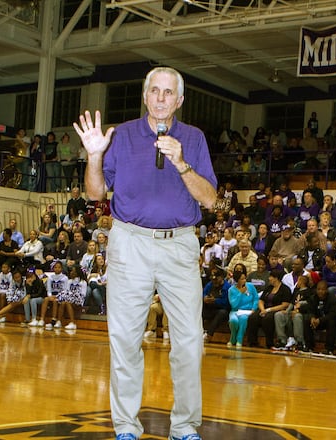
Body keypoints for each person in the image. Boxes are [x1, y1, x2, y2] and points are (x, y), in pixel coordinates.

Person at [74, 66, 217, 440]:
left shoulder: (194, 138)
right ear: (145, 95)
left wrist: (181, 163)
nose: (160, 99)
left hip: (180, 244)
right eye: (154, 91)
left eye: (168, 93)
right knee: (124, 340)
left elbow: (210, 198)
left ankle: (184, 428)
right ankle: (125, 427)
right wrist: (93, 156)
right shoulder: (119, 136)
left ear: (180, 100)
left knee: (188, 343)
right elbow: (95, 194)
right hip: (129, 242)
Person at [303, 280, 336, 354]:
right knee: (307, 320)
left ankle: (329, 348)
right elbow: (310, 310)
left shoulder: (332, 299)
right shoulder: (313, 298)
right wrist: (312, 318)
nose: (320, 291)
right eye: (318, 289)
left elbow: (333, 314)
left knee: (332, 322)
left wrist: (320, 320)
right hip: (317, 321)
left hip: (327, 320)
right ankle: (309, 346)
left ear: (326, 290)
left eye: (322, 289)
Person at [227, 269, 259, 348]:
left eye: (245, 278)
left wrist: (253, 308)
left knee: (243, 319)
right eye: (242, 279)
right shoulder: (231, 290)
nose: (244, 280)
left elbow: (256, 298)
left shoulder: (250, 286)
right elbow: (234, 305)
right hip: (236, 311)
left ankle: (239, 339)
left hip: (247, 311)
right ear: (237, 280)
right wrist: (240, 293)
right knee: (233, 321)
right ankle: (233, 337)